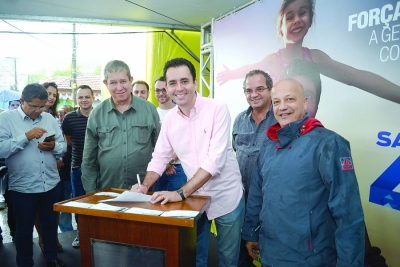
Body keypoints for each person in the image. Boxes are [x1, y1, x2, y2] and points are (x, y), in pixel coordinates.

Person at [131, 58, 244, 267]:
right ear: (166, 86)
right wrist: (144, 186)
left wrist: (180, 193)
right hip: (196, 198)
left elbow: (214, 160)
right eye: (172, 83)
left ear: (195, 83)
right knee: (194, 257)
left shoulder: (218, 109)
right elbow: (159, 157)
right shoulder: (170, 120)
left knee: (228, 260)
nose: (179, 88)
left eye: (184, 81)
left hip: (227, 197)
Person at [242, 78, 365, 266]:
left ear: (305, 102)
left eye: (290, 99)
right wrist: (251, 232)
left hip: (310, 258)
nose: (282, 107)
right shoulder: (269, 145)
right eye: (277, 102)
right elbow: (257, 195)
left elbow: (348, 214)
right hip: (270, 254)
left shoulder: (328, 144)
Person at [216, 0, 400, 117]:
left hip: (305, 132)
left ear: (310, 20)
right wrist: (231, 74)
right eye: (289, 17)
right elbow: (251, 68)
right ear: (280, 28)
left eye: (302, 13)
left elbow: (356, 76)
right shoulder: (272, 60)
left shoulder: (315, 58)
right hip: (277, 132)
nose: (297, 20)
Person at [0, 83, 67, 267]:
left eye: (42, 106)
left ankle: (51, 258)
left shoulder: (49, 119)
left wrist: (54, 147)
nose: (39, 111)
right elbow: (1, 150)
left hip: (50, 184)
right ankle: (24, 263)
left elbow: (63, 146)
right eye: (34, 106)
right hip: (23, 187)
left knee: (49, 226)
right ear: (22, 101)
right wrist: (26, 136)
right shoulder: (5, 120)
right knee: (24, 231)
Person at [81, 60, 160, 193]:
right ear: (106, 83)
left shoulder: (149, 110)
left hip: (144, 190)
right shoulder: (97, 114)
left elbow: (160, 151)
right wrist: (91, 194)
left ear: (130, 80)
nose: (119, 87)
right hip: (108, 191)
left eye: (123, 81)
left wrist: (149, 184)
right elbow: (88, 160)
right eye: (113, 82)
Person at [232, 70, 277, 267]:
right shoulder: (240, 120)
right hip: (241, 199)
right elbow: (234, 151)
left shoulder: (281, 119)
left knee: (270, 252)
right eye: (249, 90)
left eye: (260, 89)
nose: (254, 94)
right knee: (241, 253)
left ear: (270, 90)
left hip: (270, 201)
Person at [62, 85, 94, 248]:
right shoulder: (69, 118)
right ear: (77, 100)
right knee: (79, 202)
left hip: (98, 168)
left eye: (87, 97)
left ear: (93, 98)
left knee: (98, 202)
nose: (84, 100)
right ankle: (81, 234)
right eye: (81, 97)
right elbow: (69, 140)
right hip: (77, 167)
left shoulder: (99, 116)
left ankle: (97, 234)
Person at [151, 76, 187, 192]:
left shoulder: (181, 111)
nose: (160, 93)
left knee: (179, 206)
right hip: (157, 170)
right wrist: (163, 165)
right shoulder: (152, 113)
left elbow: (185, 140)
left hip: (178, 168)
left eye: (163, 90)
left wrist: (170, 161)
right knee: (155, 204)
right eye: (157, 90)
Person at [57, 105, 74, 234]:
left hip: (75, 171)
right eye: (60, 113)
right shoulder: (56, 129)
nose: (62, 116)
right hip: (61, 175)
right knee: (64, 206)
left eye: (65, 113)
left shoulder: (75, 128)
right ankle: (66, 232)